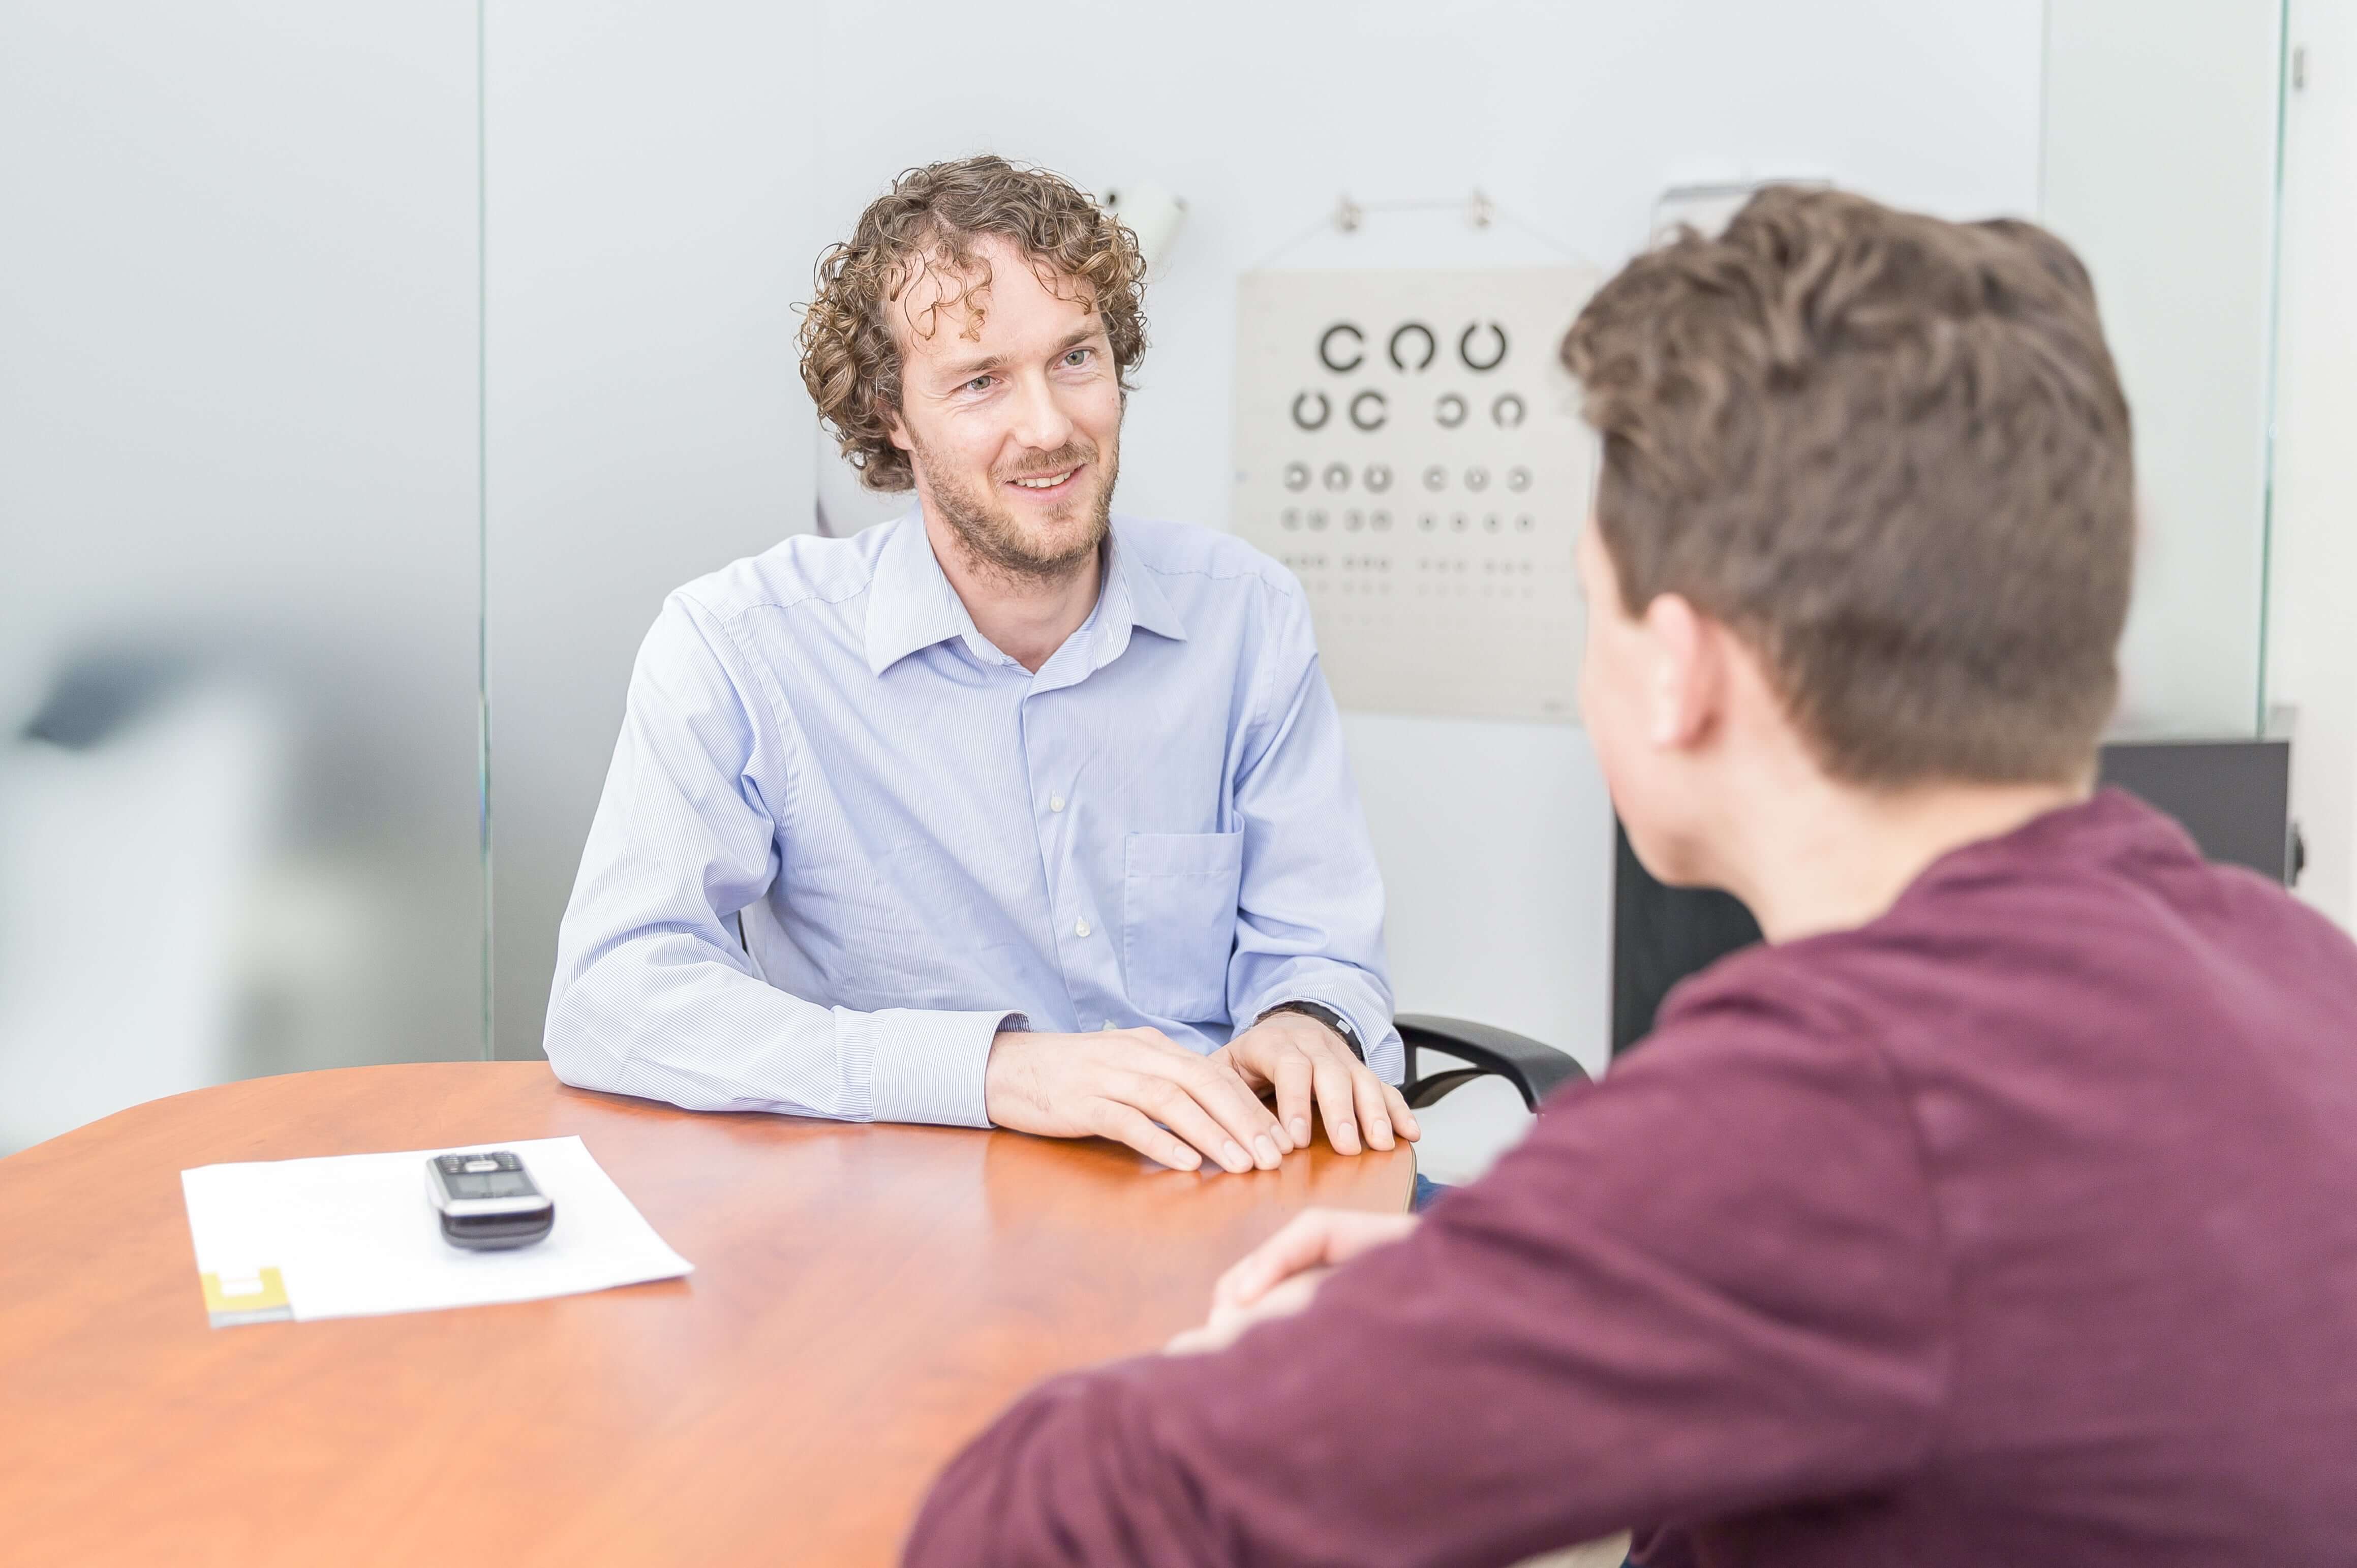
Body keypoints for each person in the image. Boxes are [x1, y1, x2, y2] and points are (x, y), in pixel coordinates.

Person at [903, 187, 2357, 1564]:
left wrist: (1297, 1358)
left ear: (1678, 672)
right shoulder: (2290, 964)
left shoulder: (1821, 1117)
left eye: (1590, 606)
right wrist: (1502, 1288)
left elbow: (1035, 1525)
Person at [543, 157, 1418, 1177]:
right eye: (980, 381)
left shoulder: (1247, 615)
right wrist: (990, 1071)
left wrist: (1310, 1021)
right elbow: (611, 998)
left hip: (1211, 1187)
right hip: (908, 1215)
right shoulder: (742, 645)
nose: (1048, 427)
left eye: (1076, 358)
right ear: (892, 415)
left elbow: (1321, 948)